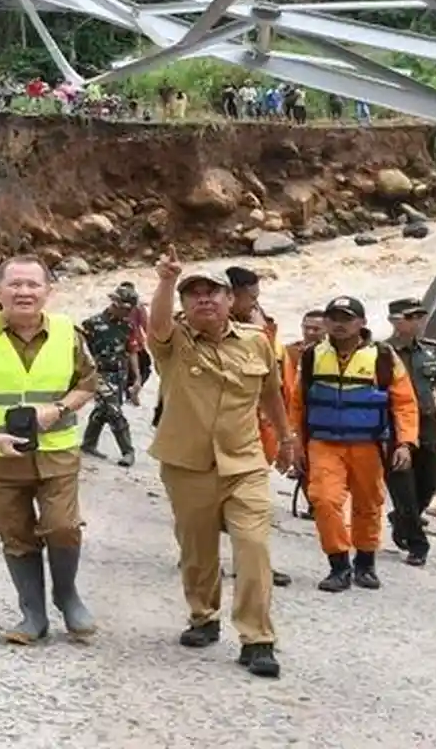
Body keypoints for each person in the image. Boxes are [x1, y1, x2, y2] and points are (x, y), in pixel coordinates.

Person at [148, 247, 294, 679]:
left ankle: (258, 637)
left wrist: (286, 438)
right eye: (193, 293)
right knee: (197, 549)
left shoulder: (256, 341)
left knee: (253, 546)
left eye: (212, 292)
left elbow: (271, 394)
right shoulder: (173, 343)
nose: (203, 299)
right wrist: (166, 281)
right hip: (186, 463)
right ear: (184, 304)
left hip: (244, 462)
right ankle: (203, 615)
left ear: (231, 300)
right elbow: (157, 324)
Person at [0, 255, 98, 645]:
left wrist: (58, 409)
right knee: (17, 534)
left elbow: (87, 384)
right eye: (14, 284)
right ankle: (33, 614)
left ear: (48, 291)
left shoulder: (68, 333)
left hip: (56, 451)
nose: (24, 292)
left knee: (63, 526)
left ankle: (67, 595)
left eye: (32, 284)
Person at [288, 296, 418, 592]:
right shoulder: (312, 356)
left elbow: (404, 404)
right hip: (323, 443)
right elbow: (297, 403)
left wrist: (405, 443)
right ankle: (338, 565)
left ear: (361, 323)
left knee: (368, 503)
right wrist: (294, 441)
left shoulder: (383, 357)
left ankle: (365, 563)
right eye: (333, 318)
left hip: (369, 444)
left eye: (346, 318)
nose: (339, 324)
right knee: (323, 500)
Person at [224, 266, 294, 589]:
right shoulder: (204, 329)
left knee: (252, 504)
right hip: (216, 430)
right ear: (231, 295)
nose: (255, 303)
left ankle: (251, 565)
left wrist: (285, 436)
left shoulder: (262, 327)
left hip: (255, 430)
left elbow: (276, 385)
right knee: (207, 501)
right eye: (251, 297)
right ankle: (199, 557)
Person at [384, 298, 436, 566]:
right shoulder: (381, 353)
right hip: (393, 424)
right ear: (394, 321)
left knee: (429, 481)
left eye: (420, 316)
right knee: (403, 485)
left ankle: (402, 519)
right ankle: (418, 543)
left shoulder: (430, 351)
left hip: (426, 423)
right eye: (411, 317)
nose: (418, 322)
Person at [80, 285, 141, 467]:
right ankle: (128, 451)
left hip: (119, 375)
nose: (127, 313)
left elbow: (132, 351)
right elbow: (81, 352)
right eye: (125, 309)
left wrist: (137, 378)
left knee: (102, 410)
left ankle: (88, 444)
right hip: (99, 374)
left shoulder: (128, 326)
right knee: (114, 410)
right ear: (115, 304)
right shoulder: (91, 324)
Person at [283, 309, 327, 520]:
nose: (310, 332)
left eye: (316, 329)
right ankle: (314, 504)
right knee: (302, 461)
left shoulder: (333, 354)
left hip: (321, 414)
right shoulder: (290, 352)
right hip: (292, 412)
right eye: (306, 327)